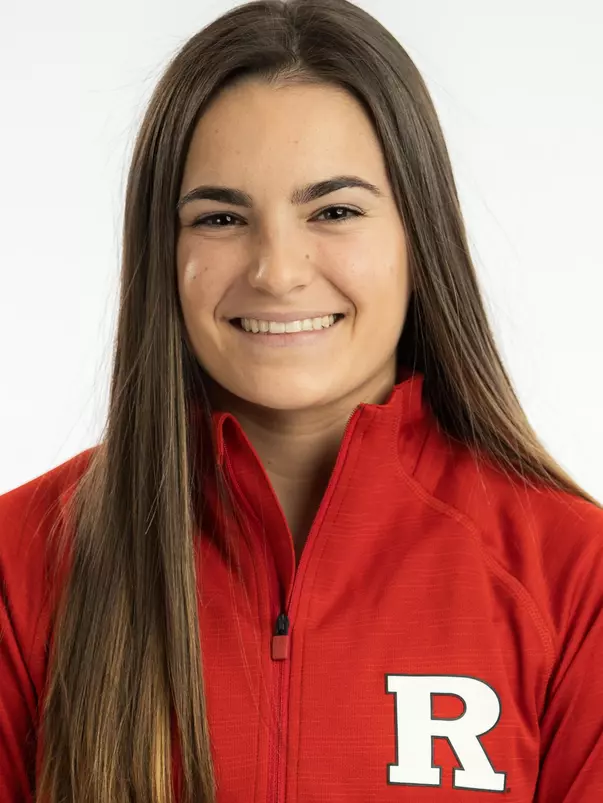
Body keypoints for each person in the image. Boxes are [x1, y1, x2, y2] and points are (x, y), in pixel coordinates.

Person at [1, 0, 602, 800]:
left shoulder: (573, 577)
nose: (277, 271)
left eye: (335, 211)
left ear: (418, 237)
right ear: (163, 254)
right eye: (219, 217)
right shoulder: (21, 561)